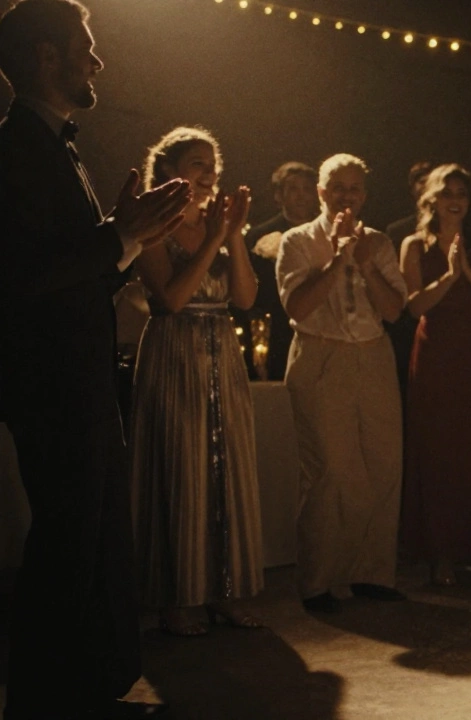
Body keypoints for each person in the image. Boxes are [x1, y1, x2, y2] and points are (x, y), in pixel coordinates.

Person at [0, 1, 189, 717]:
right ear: (46, 56)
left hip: (80, 374)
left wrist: (127, 240)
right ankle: (45, 700)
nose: (98, 60)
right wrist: (119, 238)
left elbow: (75, 272)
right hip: (50, 382)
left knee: (96, 539)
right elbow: (22, 274)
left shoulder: (57, 147)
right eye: (86, 45)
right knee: (68, 544)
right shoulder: (14, 149)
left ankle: (84, 687)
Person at [130, 127, 265, 636]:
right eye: (197, 164)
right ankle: (175, 596)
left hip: (221, 353)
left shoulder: (218, 225)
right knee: (179, 469)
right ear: (168, 170)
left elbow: (246, 299)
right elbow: (170, 300)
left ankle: (222, 590)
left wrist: (232, 235)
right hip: (175, 352)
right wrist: (213, 240)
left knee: (225, 471)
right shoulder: (153, 227)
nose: (209, 174)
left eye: (213, 165)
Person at [277, 153, 408, 613]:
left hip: (373, 355)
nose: (345, 197)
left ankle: (371, 573)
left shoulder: (380, 242)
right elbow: (297, 307)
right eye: (337, 187)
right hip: (320, 354)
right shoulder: (297, 241)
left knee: (383, 464)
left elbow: (394, 311)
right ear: (321, 192)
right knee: (329, 470)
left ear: (364, 195)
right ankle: (319, 580)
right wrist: (337, 258)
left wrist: (367, 265)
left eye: (354, 189)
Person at [399, 164, 471, 585]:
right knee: (439, 450)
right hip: (435, 355)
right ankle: (441, 554)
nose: (455, 200)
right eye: (447, 192)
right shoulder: (414, 245)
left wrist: (467, 270)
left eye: (462, 193)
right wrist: (449, 276)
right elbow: (414, 306)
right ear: (431, 199)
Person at [235, 161, 318, 380]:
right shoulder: (259, 234)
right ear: (279, 196)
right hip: (277, 325)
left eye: (306, 189)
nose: (301, 196)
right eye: (293, 189)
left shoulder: (324, 231)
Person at [385, 160, 433, 390]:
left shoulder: (461, 228)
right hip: (408, 322)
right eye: (421, 181)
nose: (427, 186)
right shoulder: (398, 231)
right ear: (412, 189)